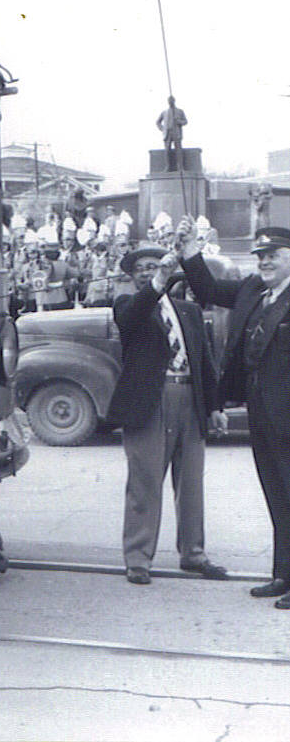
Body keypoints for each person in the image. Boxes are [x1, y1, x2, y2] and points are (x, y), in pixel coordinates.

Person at [177, 218, 290, 609]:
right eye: (260, 256)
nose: (265, 262)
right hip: (261, 413)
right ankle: (283, 575)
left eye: (273, 255)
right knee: (277, 493)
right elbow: (207, 288)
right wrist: (190, 249)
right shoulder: (253, 290)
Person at [106, 243, 228, 585]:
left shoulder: (188, 311)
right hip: (150, 401)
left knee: (191, 483)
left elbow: (206, 363)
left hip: (190, 397)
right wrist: (158, 279)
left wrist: (215, 407)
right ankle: (138, 558)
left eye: (154, 265)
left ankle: (194, 554)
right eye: (140, 268)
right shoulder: (129, 306)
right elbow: (133, 314)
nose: (147, 270)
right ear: (132, 276)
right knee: (145, 481)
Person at [156, 96, 188, 171]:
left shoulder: (180, 111)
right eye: (169, 101)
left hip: (176, 133)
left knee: (178, 150)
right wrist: (162, 129)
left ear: (174, 101)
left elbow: (185, 121)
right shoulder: (164, 112)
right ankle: (167, 167)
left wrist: (179, 121)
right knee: (167, 150)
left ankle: (180, 167)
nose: (170, 102)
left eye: (171, 101)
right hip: (167, 133)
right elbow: (157, 122)